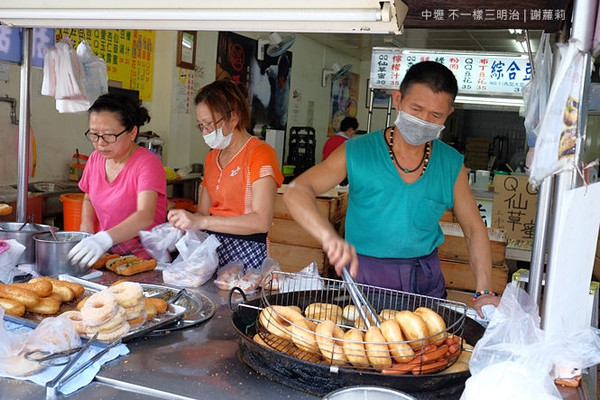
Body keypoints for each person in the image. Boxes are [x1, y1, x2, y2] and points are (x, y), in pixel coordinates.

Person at [283, 61, 500, 318]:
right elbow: (297, 190)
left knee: (423, 353)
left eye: (435, 116)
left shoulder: (451, 164)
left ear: (448, 115)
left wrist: (484, 290)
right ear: (398, 100)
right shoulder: (358, 152)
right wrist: (328, 237)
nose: (423, 121)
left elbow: (474, 229)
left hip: (424, 282)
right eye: (416, 109)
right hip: (364, 278)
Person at [167, 79, 284, 271]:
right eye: (201, 126)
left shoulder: (260, 153)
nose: (205, 132)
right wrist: (184, 221)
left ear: (234, 117)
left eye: (209, 124)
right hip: (212, 251)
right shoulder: (212, 158)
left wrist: (202, 221)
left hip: (248, 251)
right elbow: (204, 212)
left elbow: (261, 221)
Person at [68, 93, 168, 267]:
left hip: (144, 258)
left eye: (108, 135)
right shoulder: (95, 159)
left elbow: (145, 215)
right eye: (94, 134)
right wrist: (87, 229)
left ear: (132, 132)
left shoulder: (147, 163)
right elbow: (89, 196)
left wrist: (104, 238)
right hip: (107, 254)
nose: (100, 143)